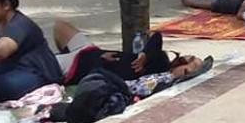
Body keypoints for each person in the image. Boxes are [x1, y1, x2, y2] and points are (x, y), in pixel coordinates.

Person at [52, 21, 203, 86]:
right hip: (89, 51)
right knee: (60, 26)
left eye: (187, 67)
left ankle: (60, 64)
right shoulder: (160, 61)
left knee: (39, 59)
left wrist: (100, 60)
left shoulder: (157, 77)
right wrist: (145, 55)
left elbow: (156, 37)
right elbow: (156, 36)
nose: (187, 58)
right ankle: (62, 57)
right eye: (190, 58)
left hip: (78, 66)